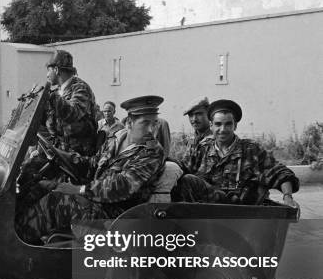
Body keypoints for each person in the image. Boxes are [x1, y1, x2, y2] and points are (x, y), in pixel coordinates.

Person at [16, 95, 166, 245]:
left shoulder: (151, 152)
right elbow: (93, 164)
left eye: (154, 123)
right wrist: (63, 156)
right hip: (97, 201)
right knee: (39, 186)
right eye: (146, 123)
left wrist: (80, 190)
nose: (152, 129)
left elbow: (122, 186)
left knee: (56, 201)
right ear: (130, 122)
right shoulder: (116, 141)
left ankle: (16, 246)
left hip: (118, 217)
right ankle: (14, 228)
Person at [174, 99, 299, 206]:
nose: (223, 130)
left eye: (228, 124)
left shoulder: (251, 150)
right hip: (207, 213)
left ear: (235, 126)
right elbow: (182, 168)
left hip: (241, 213)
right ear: (211, 125)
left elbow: (280, 173)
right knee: (186, 180)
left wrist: (287, 196)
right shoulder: (202, 149)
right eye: (218, 124)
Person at [17, 50, 97, 204]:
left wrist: (50, 96)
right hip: (58, 153)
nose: (47, 75)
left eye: (48, 70)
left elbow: (73, 113)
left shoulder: (80, 88)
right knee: (25, 171)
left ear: (56, 70)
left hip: (76, 157)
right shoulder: (58, 92)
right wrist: (26, 108)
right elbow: (46, 121)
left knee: (34, 180)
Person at [181, 96, 212, 165]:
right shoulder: (193, 138)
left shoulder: (216, 139)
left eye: (199, 114)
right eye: (191, 115)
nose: (194, 119)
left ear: (209, 114)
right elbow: (186, 165)